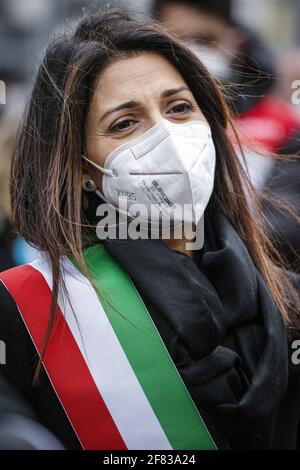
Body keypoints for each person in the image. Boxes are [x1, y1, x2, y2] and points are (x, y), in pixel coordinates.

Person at [0, 7, 300, 450]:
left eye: (179, 108)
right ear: (82, 167)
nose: (167, 137)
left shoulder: (287, 298)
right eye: (125, 123)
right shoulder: (25, 313)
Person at [152, 0, 300, 272]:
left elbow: (288, 225)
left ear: (235, 42)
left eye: (205, 40)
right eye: (177, 42)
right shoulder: (135, 128)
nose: (192, 54)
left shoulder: (278, 124)